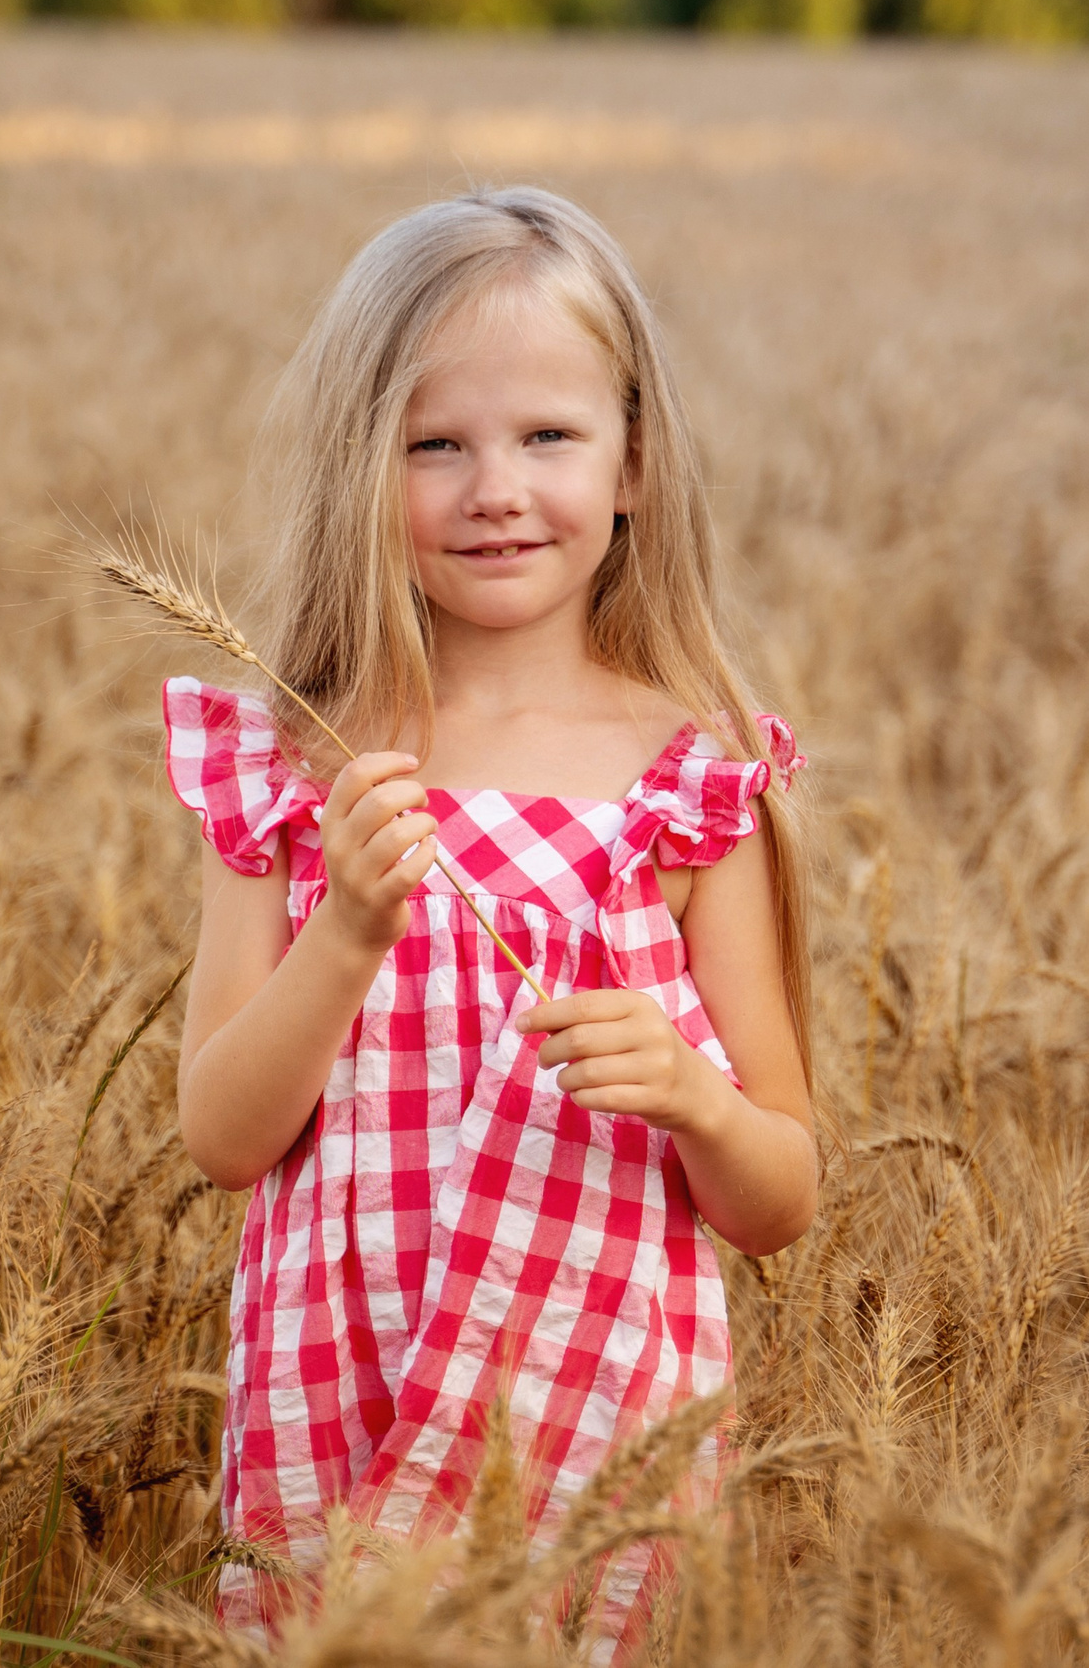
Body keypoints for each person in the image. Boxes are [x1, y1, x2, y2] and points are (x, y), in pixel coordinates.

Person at [160, 186, 817, 1640]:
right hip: (342, 1395)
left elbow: (781, 1197)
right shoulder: (292, 772)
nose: (494, 488)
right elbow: (221, 1134)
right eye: (434, 445)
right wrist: (343, 931)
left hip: (598, 1435)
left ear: (634, 462)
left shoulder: (688, 787)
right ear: (360, 469)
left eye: (548, 438)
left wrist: (695, 1102)